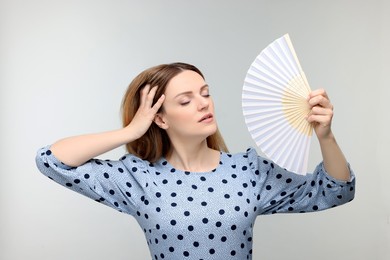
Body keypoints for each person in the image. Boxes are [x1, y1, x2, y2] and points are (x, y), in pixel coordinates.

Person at [35, 62, 355, 260]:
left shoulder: (247, 170)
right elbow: (51, 160)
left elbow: (335, 190)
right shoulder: (137, 177)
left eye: (205, 93)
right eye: (186, 100)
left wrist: (325, 135)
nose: (203, 104)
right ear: (160, 119)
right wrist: (131, 130)